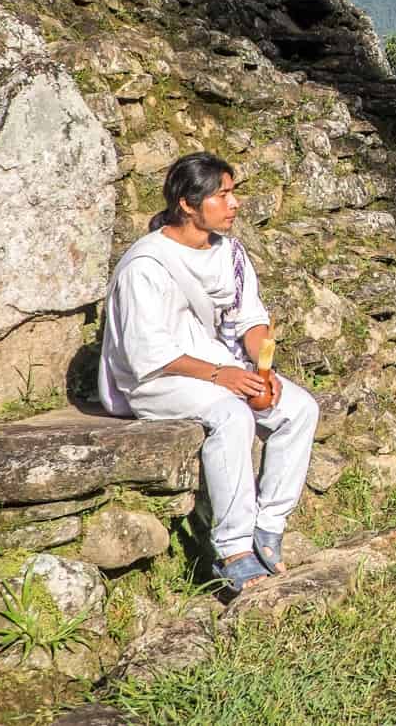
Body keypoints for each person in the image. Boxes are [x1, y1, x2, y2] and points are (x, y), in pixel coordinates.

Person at [98, 151, 318, 594]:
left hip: (219, 365)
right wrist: (222, 377)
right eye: (223, 195)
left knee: (300, 408)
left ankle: (268, 526)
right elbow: (147, 351)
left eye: (233, 193)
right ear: (187, 203)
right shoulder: (147, 265)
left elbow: (249, 318)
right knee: (231, 415)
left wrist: (263, 368)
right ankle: (233, 548)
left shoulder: (229, 253)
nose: (234, 204)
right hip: (156, 380)